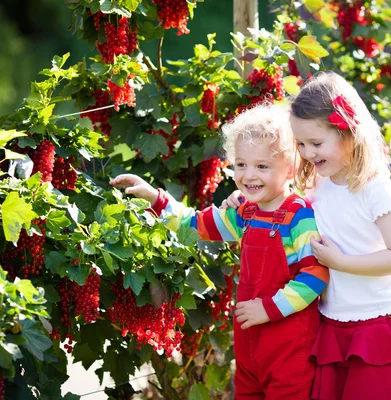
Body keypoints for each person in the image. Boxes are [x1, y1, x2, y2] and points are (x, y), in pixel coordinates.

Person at [221, 72, 391, 400]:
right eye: (301, 144)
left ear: (348, 133)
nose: (307, 153)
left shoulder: (375, 189)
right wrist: (244, 200)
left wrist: (341, 262)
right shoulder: (320, 181)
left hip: (375, 321)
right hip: (334, 322)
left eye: (316, 143)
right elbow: (280, 200)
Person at [110, 104, 328, 400]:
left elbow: (315, 275)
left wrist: (268, 308)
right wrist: (156, 199)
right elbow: (196, 224)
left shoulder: (298, 216)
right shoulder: (244, 213)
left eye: (262, 166)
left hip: (288, 345)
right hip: (250, 342)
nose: (249, 175)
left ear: (289, 168)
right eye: (241, 164)